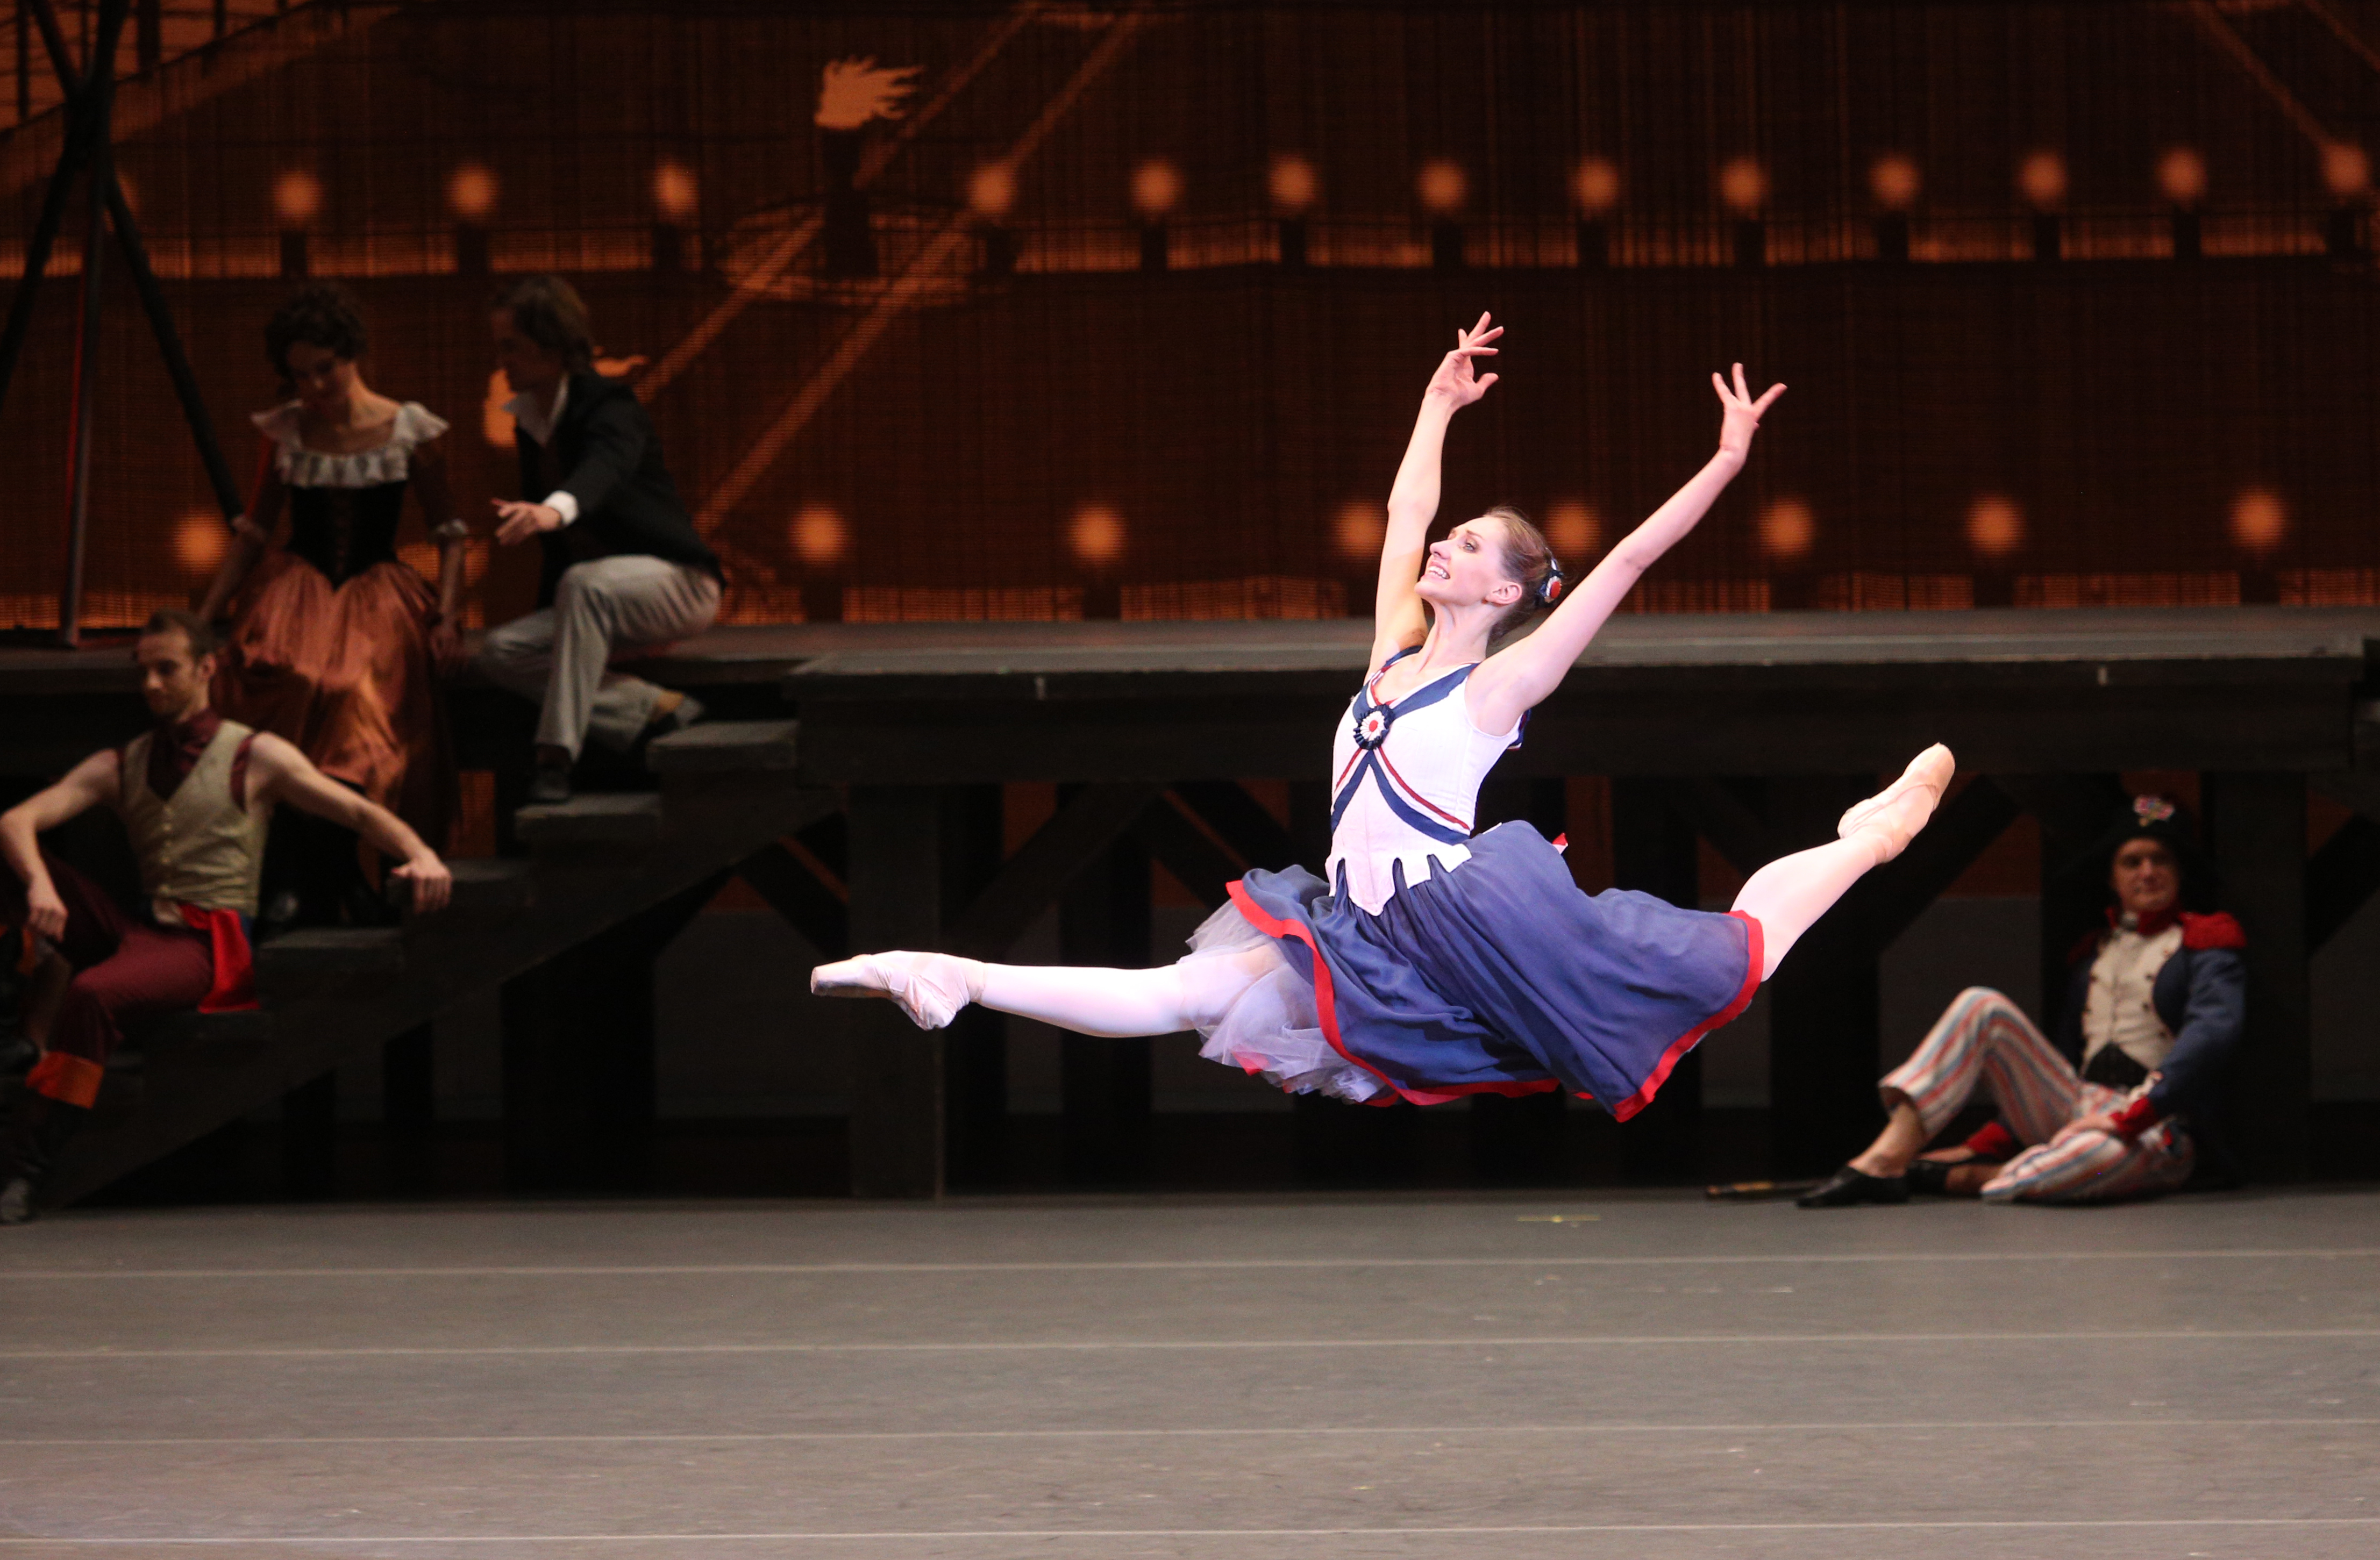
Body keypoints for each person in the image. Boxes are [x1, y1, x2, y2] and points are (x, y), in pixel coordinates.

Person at [811, 316, 1955, 1125]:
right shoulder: (1389, 656)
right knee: (1185, 994)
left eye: (1468, 547)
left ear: (1504, 592)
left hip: (1469, 919)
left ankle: (1868, 839)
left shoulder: (1501, 685)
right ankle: (951, 972)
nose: (1443, 549)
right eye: (1448, 542)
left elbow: (1626, 561)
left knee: (1721, 960)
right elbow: (1404, 514)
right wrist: (1435, 404)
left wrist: (1722, 462)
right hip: (1357, 926)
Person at [0, 610, 453, 1223]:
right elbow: (16, 821)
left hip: (205, 944)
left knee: (94, 993)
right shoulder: (123, 762)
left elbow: (358, 813)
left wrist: (421, 855)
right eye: (143, 671)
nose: (151, 684)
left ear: (206, 669)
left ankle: (27, 1167)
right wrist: (42, 884)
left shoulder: (255, 756)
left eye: (167, 669)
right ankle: (8, 1032)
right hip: (135, 932)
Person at [1798, 795, 2244, 1206]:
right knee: (1982, 1005)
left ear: (2180, 870)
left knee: (2093, 1157)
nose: (2147, 872)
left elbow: (2212, 1035)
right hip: (2080, 1106)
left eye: (2160, 860)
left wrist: (2131, 1117)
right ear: (2113, 877)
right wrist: (1985, 1141)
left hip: (2153, 1123)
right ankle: (1888, 1157)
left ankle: (1962, 1179)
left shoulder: (2205, 942)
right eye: (2133, 861)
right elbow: (2060, 1066)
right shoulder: (2094, 953)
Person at [198, 282, 468, 922]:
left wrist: (451, 615)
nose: (316, 386)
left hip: (376, 591)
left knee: (355, 693)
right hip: (297, 589)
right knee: (290, 680)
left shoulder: (409, 428)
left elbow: (451, 534)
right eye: (301, 375)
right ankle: (301, 872)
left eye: (327, 369)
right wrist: (202, 618)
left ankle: (338, 868)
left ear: (354, 355)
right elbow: (255, 532)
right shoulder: (288, 431)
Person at [473, 275, 726, 805]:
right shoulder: (530, 422)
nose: (502, 362)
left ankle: (555, 756)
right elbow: (563, 562)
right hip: (598, 600)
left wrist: (553, 511)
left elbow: (603, 469)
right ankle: (656, 709)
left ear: (551, 347)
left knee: (586, 584)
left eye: (510, 347)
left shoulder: (610, 405)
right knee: (501, 652)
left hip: (676, 585)